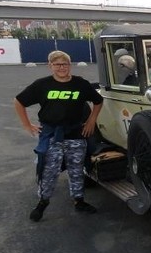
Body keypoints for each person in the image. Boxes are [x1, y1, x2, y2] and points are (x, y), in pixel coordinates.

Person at [14, 50, 104, 222]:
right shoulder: (42, 85)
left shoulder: (80, 84)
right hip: (52, 135)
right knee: (49, 171)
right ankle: (43, 202)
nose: (61, 67)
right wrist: (26, 124)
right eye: (57, 64)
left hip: (76, 134)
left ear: (69, 65)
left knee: (77, 170)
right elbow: (19, 102)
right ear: (50, 66)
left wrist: (92, 120)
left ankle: (79, 201)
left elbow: (98, 101)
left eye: (64, 64)